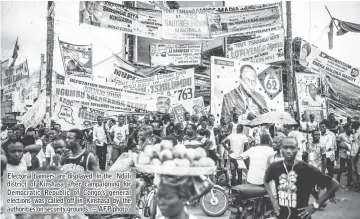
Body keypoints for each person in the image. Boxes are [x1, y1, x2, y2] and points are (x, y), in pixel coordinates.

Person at [264, 137, 339, 219]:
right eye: (285, 147)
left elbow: (334, 184)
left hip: (301, 216)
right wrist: (273, 200)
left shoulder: (307, 169)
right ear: (281, 148)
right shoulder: (274, 167)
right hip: (282, 215)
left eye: (292, 147)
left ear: (297, 149)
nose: (289, 151)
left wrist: (316, 205)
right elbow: (266, 180)